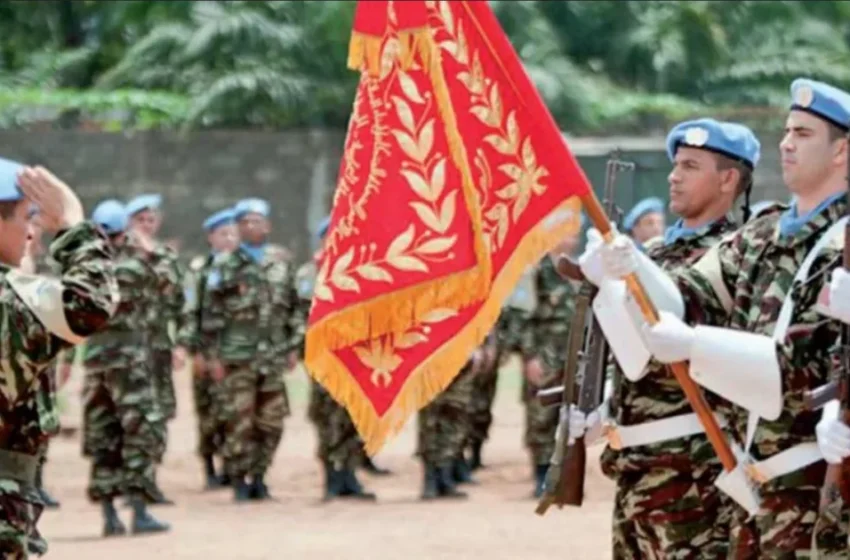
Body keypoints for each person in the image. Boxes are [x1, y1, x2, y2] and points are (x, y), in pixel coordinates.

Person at [580, 78, 850, 556]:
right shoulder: (762, 234)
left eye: (804, 134)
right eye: (787, 131)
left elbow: (792, 372)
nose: (786, 144)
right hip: (750, 489)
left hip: (814, 489)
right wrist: (629, 264)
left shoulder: (841, 240)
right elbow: (686, 297)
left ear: (841, 152)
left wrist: (693, 345)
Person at [569, 118, 760, 558]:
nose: (674, 175)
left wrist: (631, 265)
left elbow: (679, 309)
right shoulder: (655, 252)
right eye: (676, 164)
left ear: (728, 179)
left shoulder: (740, 248)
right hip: (635, 464)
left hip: (694, 469)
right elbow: (631, 350)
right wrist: (604, 403)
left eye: (691, 165)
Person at [0, 160, 119, 557]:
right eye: (25, 218)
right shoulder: (15, 300)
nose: (32, 232)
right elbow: (90, 303)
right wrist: (73, 223)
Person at [72, 199, 170, 537]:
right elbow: (167, 282)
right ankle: (139, 512)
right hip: (129, 364)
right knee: (139, 433)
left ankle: (109, 515)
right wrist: (149, 247)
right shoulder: (136, 266)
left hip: (97, 364)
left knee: (103, 437)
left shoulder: (82, 267)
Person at [204, 198, 302, 501]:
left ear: (268, 225)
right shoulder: (223, 265)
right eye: (244, 221)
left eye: (256, 220)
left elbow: (295, 307)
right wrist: (212, 355)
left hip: (272, 354)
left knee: (271, 422)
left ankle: (260, 475)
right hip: (237, 356)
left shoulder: (281, 262)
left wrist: (293, 346)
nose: (251, 226)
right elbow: (210, 314)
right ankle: (238, 480)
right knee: (238, 422)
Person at [298, 216, 378, 501]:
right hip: (327, 359)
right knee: (328, 419)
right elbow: (300, 317)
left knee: (354, 420)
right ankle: (332, 479)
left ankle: (350, 477)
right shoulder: (311, 275)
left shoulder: (363, 273)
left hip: (359, 359)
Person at [126, 193, 185, 505]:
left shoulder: (166, 257)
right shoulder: (117, 255)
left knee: (159, 416)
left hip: (158, 351)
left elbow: (179, 305)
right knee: (128, 416)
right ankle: (128, 483)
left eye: (151, 220)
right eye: (140, 220)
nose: (146, 226)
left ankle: (149, 480)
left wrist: (181, 345)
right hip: (127, 352)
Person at [176, 208, 238, 489]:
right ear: (211, 237)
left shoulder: (244, 268)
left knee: (234, 411)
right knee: (209, 412)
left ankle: (232, 466)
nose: (229, 239)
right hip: (208, 352)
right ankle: (210, 467)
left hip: (236, 353)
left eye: (232, 234)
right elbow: (190, 313)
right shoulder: (200, 271)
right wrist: (195, 351)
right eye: (222, 234)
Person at [521, 230, 579, 498]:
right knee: (541, 419)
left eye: (573, 234)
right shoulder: (538, 273)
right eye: (565, 233)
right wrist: (530, 356)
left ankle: (564, 478)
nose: (569, 239)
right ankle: (542, 477)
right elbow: (525, 317)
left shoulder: (580, 271)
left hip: (575, 360)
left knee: (571, 421)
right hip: (545, 358)